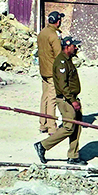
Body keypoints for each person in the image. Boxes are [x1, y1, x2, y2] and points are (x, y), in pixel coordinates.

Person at [34, 36, 85, 164]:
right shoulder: (61, 62)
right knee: (68, 127)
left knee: (76, 127)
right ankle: (43, 145)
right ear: (67, 47)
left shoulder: (68, 60)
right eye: (74, 46)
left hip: (72, 98)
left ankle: (73, 155)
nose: (76, 48)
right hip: (66, 100)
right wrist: (72, 100)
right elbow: (63, 85)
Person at [36, 9, 64, 134]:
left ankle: (43, 124)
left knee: (45, 97)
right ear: (57, 22)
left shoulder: (42, 33)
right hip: (52, 71)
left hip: (43, 70)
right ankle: (52, 127)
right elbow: (59, 55)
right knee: (52, 99)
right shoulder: (54, 36)